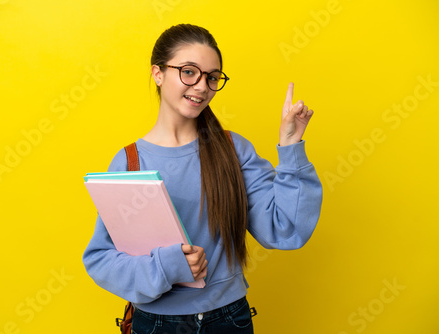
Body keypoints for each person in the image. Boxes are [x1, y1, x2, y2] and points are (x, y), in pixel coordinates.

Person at [83, 23, 323, 334]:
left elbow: (285, 229)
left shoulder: (233, 150)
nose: (201, 86)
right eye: (189, 72)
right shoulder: (130, 162)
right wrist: (167, 267)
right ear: (158, 73)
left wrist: (291, 148)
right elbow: (101, 260)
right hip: (157, 325)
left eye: (211, 77)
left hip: (230, 319)